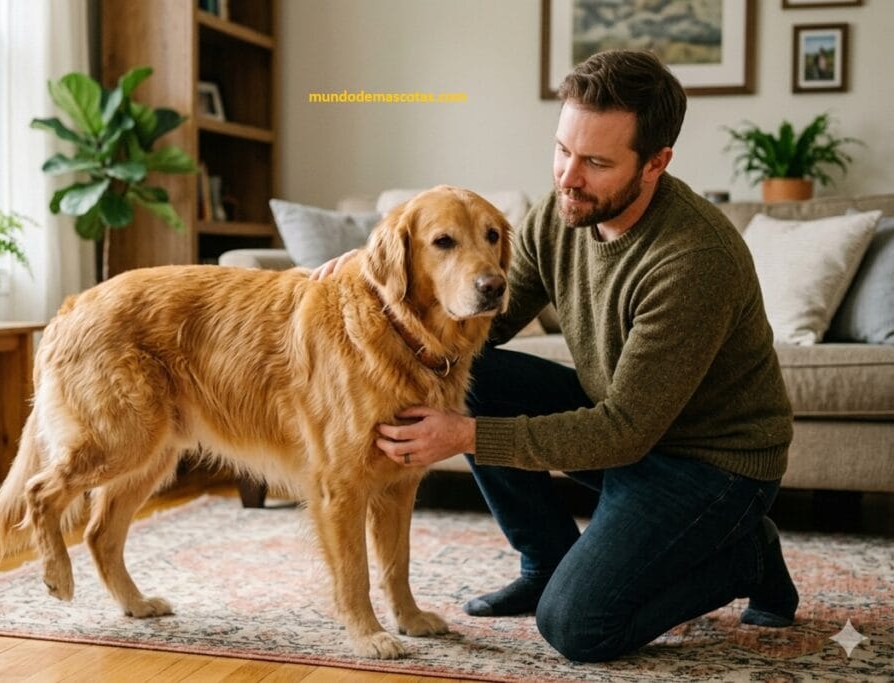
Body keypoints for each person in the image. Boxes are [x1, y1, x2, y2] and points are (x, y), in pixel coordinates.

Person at [313, 49, 799, 663]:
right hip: (630, 428)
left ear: (656, 163)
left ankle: (746, 553)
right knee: (472, 369)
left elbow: (625, 432)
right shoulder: (563, 214)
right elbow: (481, 323)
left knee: (579, 627)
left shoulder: (692, 261)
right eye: (563, 150)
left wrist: (465, 435)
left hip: (709, 464)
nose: (568, 177)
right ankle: (545, 558)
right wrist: (370, 272)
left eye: (595, 162)